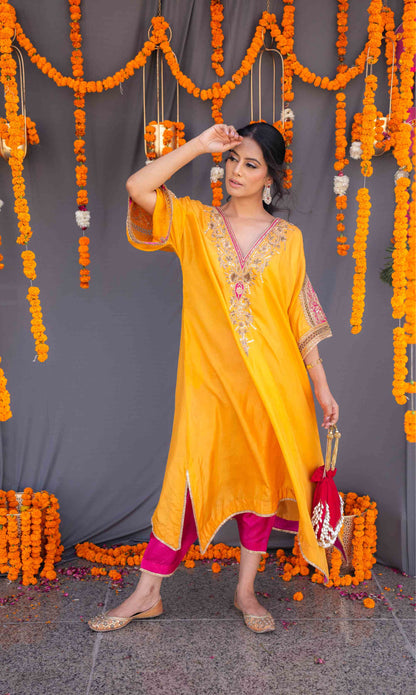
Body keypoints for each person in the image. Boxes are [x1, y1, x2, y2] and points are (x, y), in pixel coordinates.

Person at [88, 122, 339, 634]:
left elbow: (301, 314)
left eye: (251, 164)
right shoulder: (196, 223)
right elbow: (139, 188)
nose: (237, 172)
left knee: (261, 484)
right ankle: (146, 592)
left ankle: (246, 591)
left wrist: (321, 386)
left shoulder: (288, 239)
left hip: (274, 385)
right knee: (185, 479)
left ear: (271, 177)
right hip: (207, 382)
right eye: (232, 160)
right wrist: (200, 144)